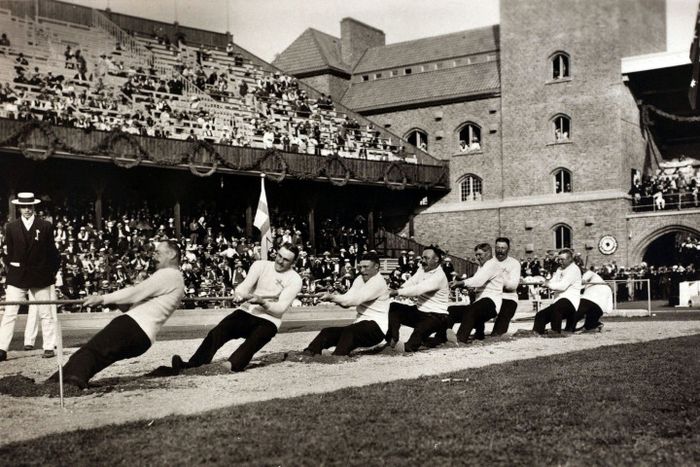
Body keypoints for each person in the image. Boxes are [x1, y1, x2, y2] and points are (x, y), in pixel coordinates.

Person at [48, 240, 184, 388]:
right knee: (94, 355)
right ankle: (59, 381)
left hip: (134, 326)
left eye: (158, 252)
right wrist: (122, 298)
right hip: (142, 335)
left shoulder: (169, 274)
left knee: (91, 352)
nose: (153, 256)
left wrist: (101, 299)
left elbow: (135, 293)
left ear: (172, 254)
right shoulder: (174, 278)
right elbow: (132, 302)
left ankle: (67, 383)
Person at [172, 243, 302, 372]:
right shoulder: (260, 265)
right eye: (279, 256)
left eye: (286, 260)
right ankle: (194, 364)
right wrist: (239, 293)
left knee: (253, 341)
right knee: (217, 332)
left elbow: (280, 308)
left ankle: (230, 366)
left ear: (293, 262)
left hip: (270, 319)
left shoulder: (295, 279)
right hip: (247, 311)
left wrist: (262, 301)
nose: (280, 261)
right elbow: (244, 286)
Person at [0, 193, 61, 362]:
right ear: (19, 208)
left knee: (45, 312)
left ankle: (49, 346)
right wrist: (13, 268)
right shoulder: (11, 227)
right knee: (10, 312)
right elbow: (9, 253)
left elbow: (53, 253)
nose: (27, 210)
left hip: (40, 276)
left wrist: (50, 273)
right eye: (24, 207)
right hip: (17, 276)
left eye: (30, 207)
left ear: (34, 207)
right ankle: (2, 348)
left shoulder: (45, 226)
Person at [304, 252, 390, 356]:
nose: (362, 271)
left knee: (350, 331)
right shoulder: (359, 279)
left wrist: (332, 297)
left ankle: (337, 356)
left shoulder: (378, 282)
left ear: (376, 266)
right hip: (359, 326)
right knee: (327, 332)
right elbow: (346, 302)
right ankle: (309, 353)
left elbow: (353, 301)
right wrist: (331, 296)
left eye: (366, 267)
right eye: (360, 267)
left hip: (377, 329)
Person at [385, 245, 450, 352]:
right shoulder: (422, 269)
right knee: (394, 307)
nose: (423, 261)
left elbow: (419, 289)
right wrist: (401, 288)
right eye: (422, 258)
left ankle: (440, 337)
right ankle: (392, 340)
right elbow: (412, 282)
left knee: (410, 346)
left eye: (426, 258)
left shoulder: (439, 276)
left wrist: (396, 292)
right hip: (420, 312)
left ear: (436, 259)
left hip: (436, 317)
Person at [447, 243, 505, 343]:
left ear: (488, 253)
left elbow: (478, 281)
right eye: (476, 255)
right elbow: (477, 283)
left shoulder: (492, 265)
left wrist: (461, 283)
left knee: (472, 310)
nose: (477, 257)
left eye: (480, 254)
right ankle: (442, 337)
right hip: (481, 303)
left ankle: (460, 340)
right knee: (452, 310)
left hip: (492, 303)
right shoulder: (482, 266)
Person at [532, 249, 582, 334]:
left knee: (557, 309)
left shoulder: (574, 269)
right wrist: (545, 283)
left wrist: (548, 285)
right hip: (559, 301)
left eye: (562, 259)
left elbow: (562, 286)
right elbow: (553, 281)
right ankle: (537, 333)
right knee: (540, 315)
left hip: (570, 301)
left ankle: (555, 332)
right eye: (559, 259)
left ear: (570, 259)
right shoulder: (559, 269)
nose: (560, 261)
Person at [567, 256, 611, 332]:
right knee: (590, 320)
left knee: (579, 308)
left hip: (597, 292)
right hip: (601, 300)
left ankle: (569, 328)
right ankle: (595, 324)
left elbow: (583, 280)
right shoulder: (586, 276)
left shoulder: (589, 273)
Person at [491, 237, 521, 336]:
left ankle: (497, 335)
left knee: (505, 314)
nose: (500, 251)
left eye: (503, 248)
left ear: (508, 249)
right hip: (491, 296)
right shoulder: (489, 262)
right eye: (498, 248)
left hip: (508, 297)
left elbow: (512, 286)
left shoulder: (514, 263)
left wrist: (496, 281)